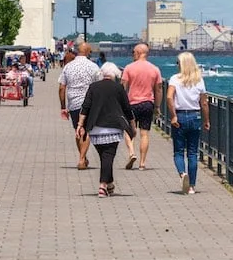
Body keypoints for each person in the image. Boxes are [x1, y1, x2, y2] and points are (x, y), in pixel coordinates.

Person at [76, 63, 134, 197]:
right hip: (113, 127)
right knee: (108, 157)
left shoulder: (93, 87)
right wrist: (132, 125)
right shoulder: (118, 88)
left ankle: (110, 183)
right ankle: (102, 185)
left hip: (95, 128)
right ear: (115, 74)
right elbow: (127, 108)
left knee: (105, 157)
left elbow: (85, 107)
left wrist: (80, 125)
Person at [167, 52, 210, 195]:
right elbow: (204, 103)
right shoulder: (199, 80)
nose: (177, 65)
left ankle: (182, 174)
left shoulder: (174, 79)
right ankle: (191, 186)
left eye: (177, 62)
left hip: (179, 116)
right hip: (195, 116)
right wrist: (206, 120)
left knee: (178, 151)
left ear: (182, 64)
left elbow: (169, 97)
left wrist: (173, 116)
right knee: (192, 152)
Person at [57, 42, 101, 169]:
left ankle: (83, 157)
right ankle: (82, 159)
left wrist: (63, 106)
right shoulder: (93, 67)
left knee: (77, 130)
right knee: (86, 130)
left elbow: (61, 87)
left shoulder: (68, 67)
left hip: (74, 103)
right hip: (89, 103)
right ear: (88, 52)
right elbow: (99, 86)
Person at [121, 43, 163, 170]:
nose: (132, 54)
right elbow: (159, 89)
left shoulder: (128, 68)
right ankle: (142, 163)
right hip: (147, 103)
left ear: (139, 52)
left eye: (133, 52)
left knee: (129, 132)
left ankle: (132, 153)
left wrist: (121, 104)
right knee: (144, 133)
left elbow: (123, 87)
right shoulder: (155, 69)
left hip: (132, 104)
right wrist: (157, 106)